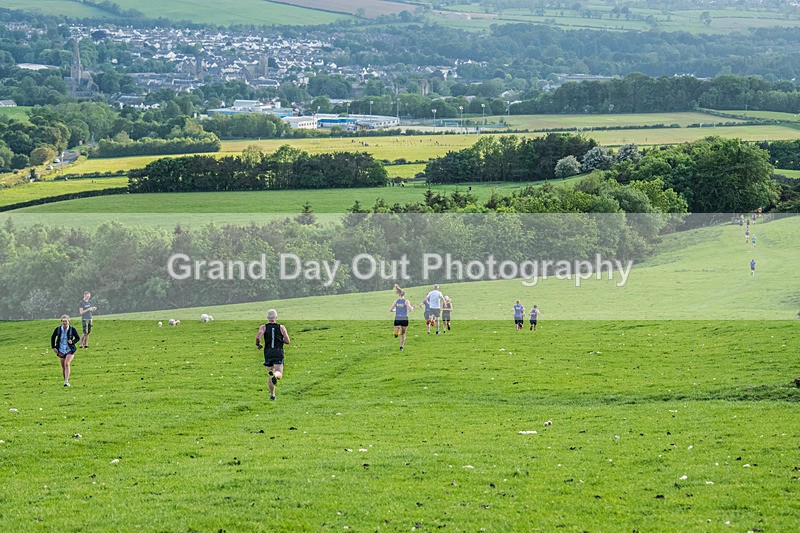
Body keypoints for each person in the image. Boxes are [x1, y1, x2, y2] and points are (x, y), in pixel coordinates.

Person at [256, 309, 291, 401]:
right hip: (278, 352)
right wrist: (281, 340)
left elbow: (258, 336)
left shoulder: (263, 327)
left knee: (269, 374)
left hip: (268, 353)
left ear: (267, 318)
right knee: (279, 373)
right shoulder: (281, 327)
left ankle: (272, 395)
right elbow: (288, 341)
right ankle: (275, 375)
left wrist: (258, 344)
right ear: (276, 317)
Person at [50, 315, 80, 387]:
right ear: (61, 321)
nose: (64, 323)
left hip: (69, 349)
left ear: (69, 321)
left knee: (67, 363)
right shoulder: (58, 329)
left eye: (65, 321)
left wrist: (72, 342)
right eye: (63, 321)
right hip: (61, 349)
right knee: (63, 366)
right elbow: (53, 337)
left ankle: (66, 381)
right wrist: (53, 347)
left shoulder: (72, 329)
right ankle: (65, 381)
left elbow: (77, 338)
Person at [389, 284, 413, 351]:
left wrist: (395, 310)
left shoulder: (396, 301)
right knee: (403, 333)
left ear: (399, 294)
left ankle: (396, 332)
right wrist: (413, 307)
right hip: (404, 318)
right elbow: (410, 309)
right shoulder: (406, 301)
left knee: (396, 331)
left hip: (397, 318)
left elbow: (390, 309)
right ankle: (401, 347)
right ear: (404, 295)